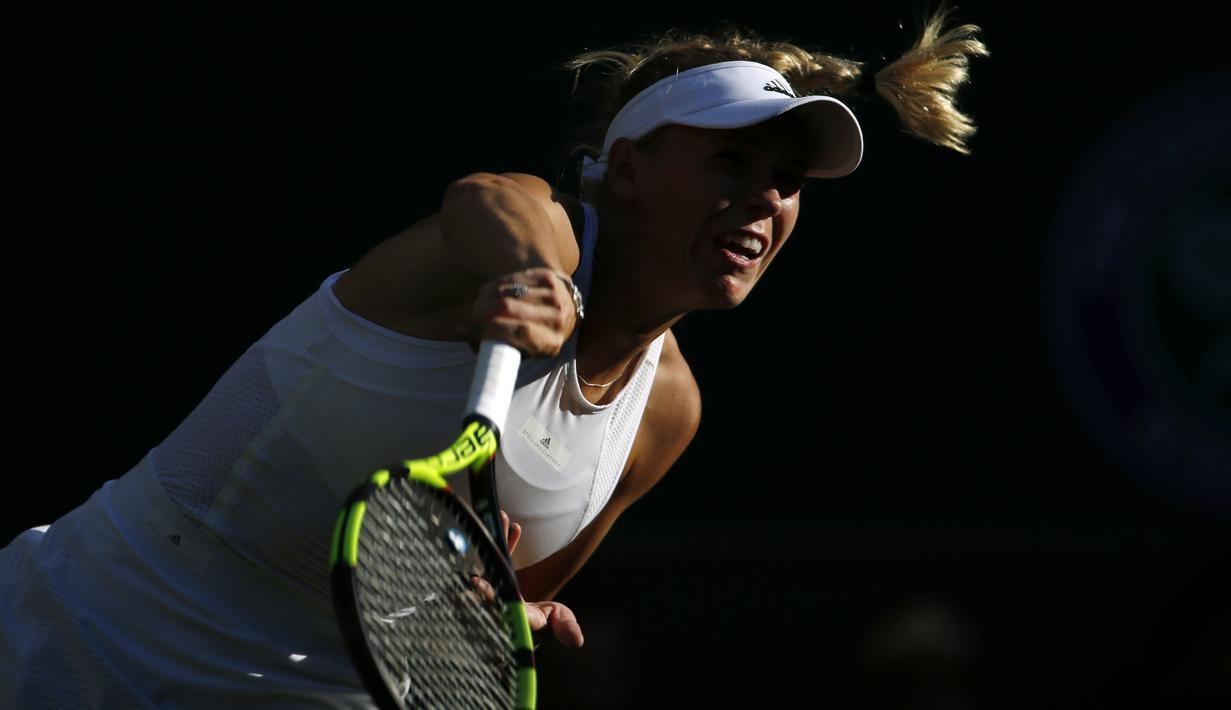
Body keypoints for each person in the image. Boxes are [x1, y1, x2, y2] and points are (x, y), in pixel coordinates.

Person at [0, 8, 987, 708]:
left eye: (784, 179)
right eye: (730, 161)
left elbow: (483, 603)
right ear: (628, 166)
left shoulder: (665, 412)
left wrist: (506, 616)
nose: (764, 200)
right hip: (60, 638)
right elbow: (490, 197)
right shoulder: (527, 227)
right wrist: (533, 281)